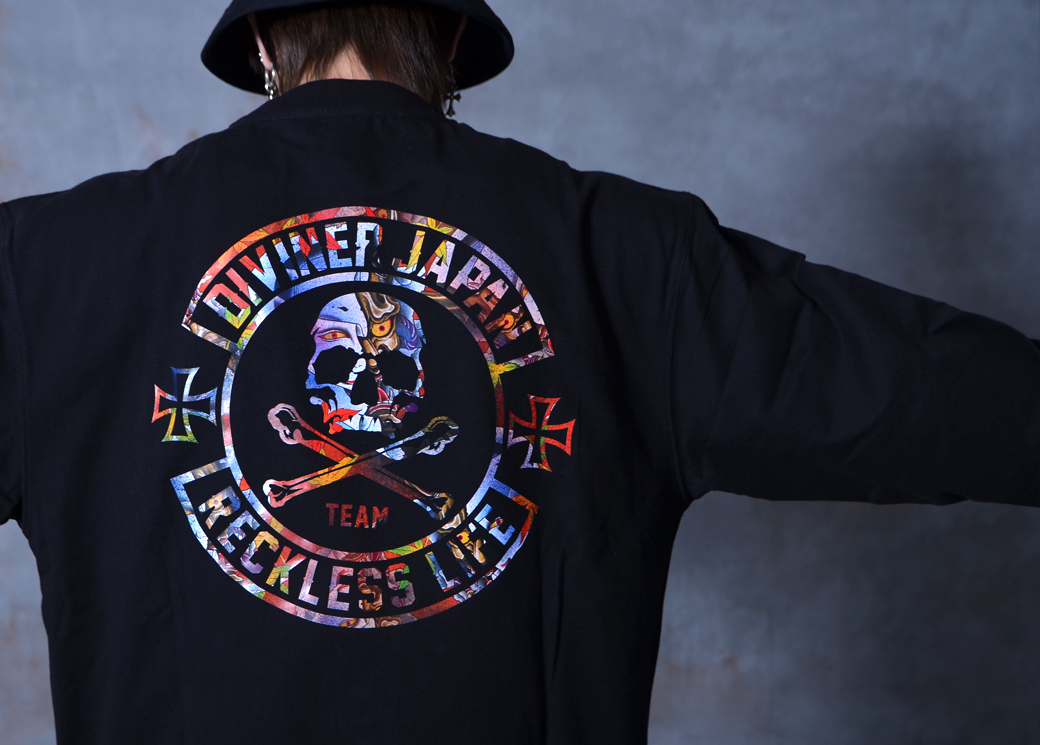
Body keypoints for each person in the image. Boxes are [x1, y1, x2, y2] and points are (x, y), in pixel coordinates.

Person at [0, 1, 1034, 743]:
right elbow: (926, 396)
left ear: (263, 43)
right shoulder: (626, 255)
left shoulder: (46, 270)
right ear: (453, 40)